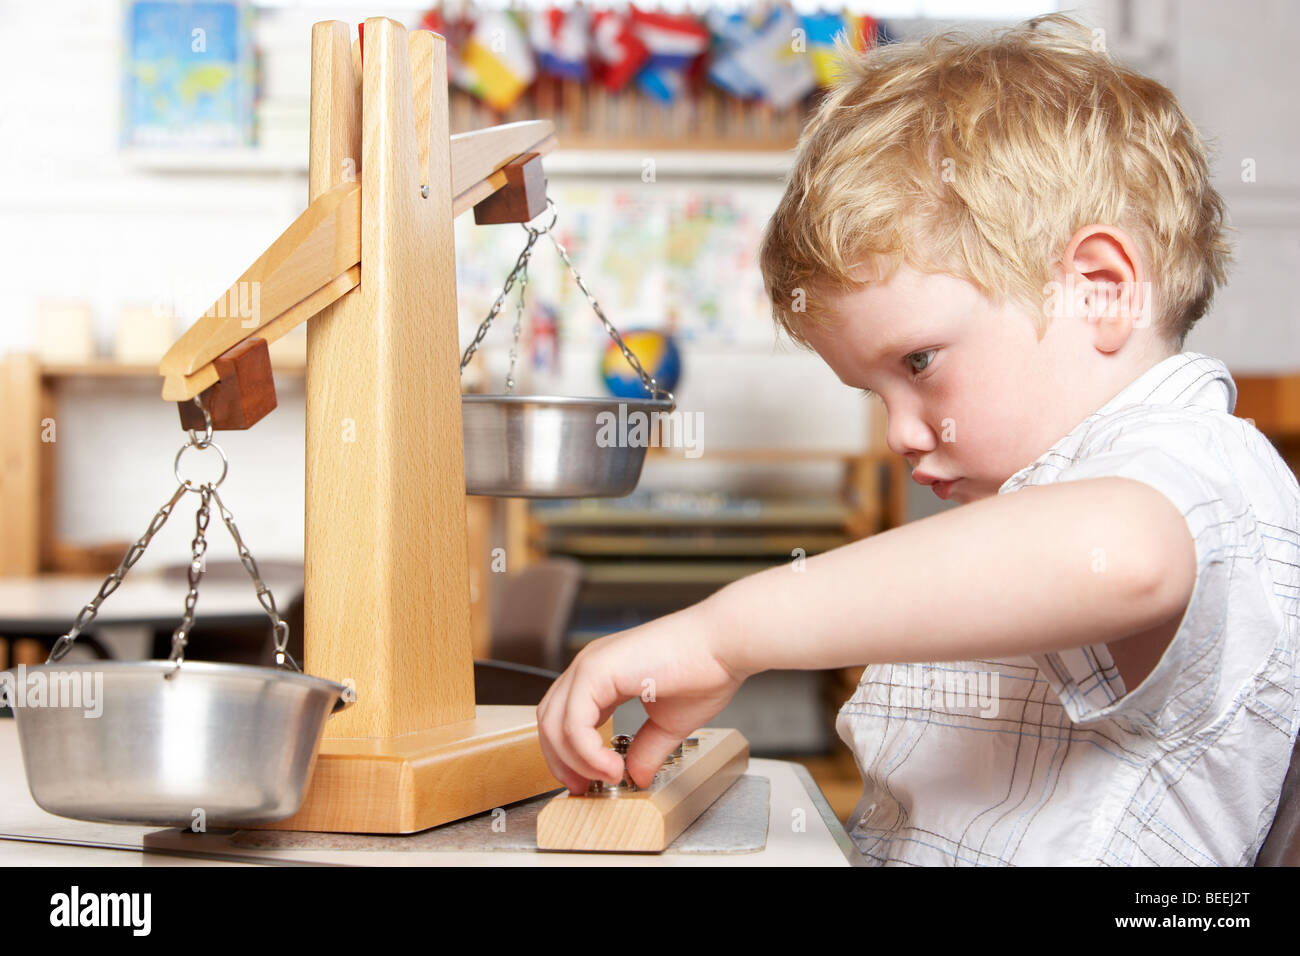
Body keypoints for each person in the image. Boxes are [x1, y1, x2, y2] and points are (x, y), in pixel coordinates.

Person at [536, 13, 1300, 865]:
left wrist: (724, 633)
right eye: (873, 391)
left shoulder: (1201, 461)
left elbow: (1126, 555)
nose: (900, 431)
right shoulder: (1039, 508)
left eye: (920, 362)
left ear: (1100, 291)